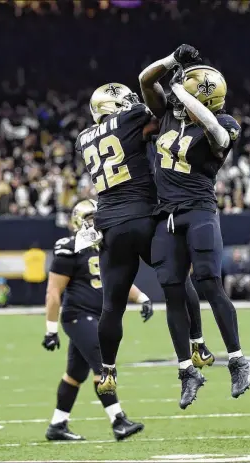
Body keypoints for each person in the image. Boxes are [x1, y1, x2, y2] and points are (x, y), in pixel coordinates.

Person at [76, 83, 214, 408]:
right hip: (144, 216)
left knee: (112, 306)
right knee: (177, 280)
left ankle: (108, 371)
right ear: (115, 107)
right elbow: (159, 115)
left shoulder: (84, 137)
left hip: (109, 225)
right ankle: (197, 347)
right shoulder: (132, 118)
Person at [139, 44, 250, 404]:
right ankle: (187, 370)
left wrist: (180, 90)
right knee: (172, 289)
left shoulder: (225, 123)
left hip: (200, 210)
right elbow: (145, 79)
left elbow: (216, 135)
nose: (175, 92)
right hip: (167, 215)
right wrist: (172, 61)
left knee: (208, 281)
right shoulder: (170, 114)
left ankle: (238, 361)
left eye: (184, 86)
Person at [42, 199, 153, 441]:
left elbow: (114, 280)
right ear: (78, 221)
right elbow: (53, 292)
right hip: (79, 316)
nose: (95, 222)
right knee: (103, 366)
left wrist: (142, 297)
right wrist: (50, 330)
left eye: (97, 217)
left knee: (74, 375)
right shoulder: (68, 247)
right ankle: (118, 420)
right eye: (89, 218)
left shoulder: (105, 247)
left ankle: (57, 425)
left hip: (95, 317)